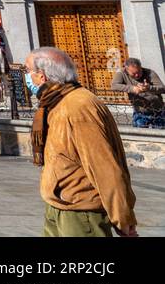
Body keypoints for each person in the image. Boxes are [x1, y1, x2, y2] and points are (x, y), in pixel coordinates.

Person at [25, 47, 137, 237]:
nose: (26, 76)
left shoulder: (78, 106)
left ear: (41, 76)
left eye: (27, 71)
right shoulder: (56, 102)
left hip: (82, 213)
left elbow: (104, 167)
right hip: (59, 205)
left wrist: (122, 218)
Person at [111, 58, 165, 129]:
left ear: (141, 67)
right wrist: (132, 89)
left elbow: (163, 88)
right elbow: (114, 86)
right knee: (140, 134)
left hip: (157, 110)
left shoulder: (150, 73)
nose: (137, 75)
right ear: (126, 69)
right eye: (133, 73)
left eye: (139, 72)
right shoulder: (121, 73)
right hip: (140, 111)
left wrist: (149, 88)